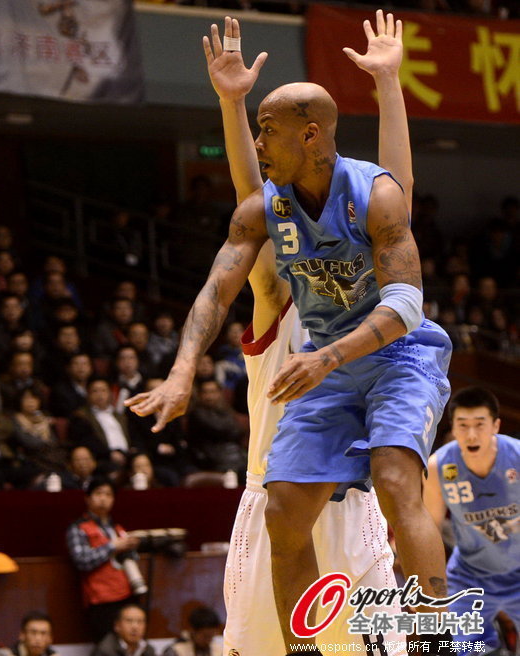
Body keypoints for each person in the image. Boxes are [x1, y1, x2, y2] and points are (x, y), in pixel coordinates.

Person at [126, 12, 453, 654]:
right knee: (282, 512)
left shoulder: (374, 195)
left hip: (395, 356)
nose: (259, 142)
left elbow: (408, 301)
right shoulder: (270, 224)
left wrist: (389, 85)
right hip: (317, 398)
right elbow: (217, 285)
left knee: (393, 478)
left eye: (266, 132)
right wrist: (182, 370)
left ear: (309, 135)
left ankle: (437, 640)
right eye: (257, 132)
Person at [423, 387, 520, 653]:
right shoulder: (438, 465)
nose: (472, 434)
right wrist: (427, 582)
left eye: (480, 424)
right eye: (463, 426)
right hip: (469, 576)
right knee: (467, 650)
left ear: (496, 426)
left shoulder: (518, 457)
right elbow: (428, 529)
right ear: (453, 428)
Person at [66, 478, 141, 643]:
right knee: (107, 648)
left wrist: (132, 548)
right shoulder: (78, 528)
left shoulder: (117, 528)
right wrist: (112, 547)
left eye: (108, 494)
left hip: (127, 595)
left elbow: (132, 559)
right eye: (98, 493)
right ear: (87, 498)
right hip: (101, 601)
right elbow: (81, 561)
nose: (103, 498)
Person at [91, 604, 155, 656]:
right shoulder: (106, 650)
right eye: (129, 621)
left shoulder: (148, 650)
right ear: (117, 626)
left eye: (140, 621)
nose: (135, 627)